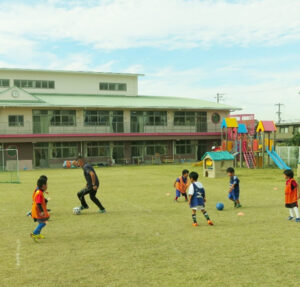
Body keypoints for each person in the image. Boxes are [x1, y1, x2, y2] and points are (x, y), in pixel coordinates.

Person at [30, 176, 50, 242]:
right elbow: (38, 203)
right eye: (46, 184)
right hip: (37, 211)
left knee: (41, 222)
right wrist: (41, 212)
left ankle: (38, 234)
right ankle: (34, 233)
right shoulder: (39, 193)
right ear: (43, 186)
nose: (47, 186)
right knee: (44, 222)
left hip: (37, 210)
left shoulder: (40, 192)